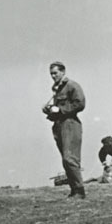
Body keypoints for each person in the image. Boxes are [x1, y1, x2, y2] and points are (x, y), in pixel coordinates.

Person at [43, 62, 86, 198]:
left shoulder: (72, 85)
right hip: (59, 125)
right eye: (51, 74)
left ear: (63, 72)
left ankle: (79, 190)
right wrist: (49, 110)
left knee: (70, 158)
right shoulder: (57, 90)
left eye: (55, 73)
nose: (53, 76)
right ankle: (74, 190)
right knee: (65, 159)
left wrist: (60, 110)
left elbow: (80, 103)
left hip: (70, 124)